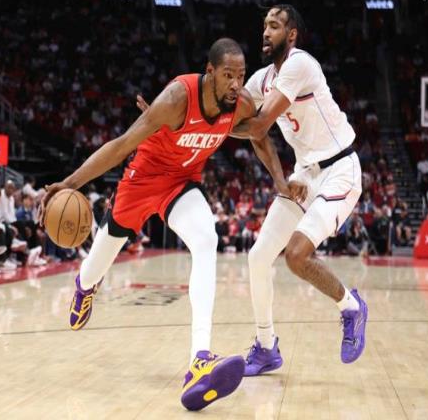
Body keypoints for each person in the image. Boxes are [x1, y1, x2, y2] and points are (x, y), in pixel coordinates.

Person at [41, 38, 291, 411]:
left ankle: (199, 361)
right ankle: (85, 285)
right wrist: (70, 183)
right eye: (228, 75)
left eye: (241, 75)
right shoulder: (176, 99)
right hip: (141, 180)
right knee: (96, 264)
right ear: (210, 72)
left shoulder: (238, 103)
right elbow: (121, 145)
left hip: (181, 184)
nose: (236, 83)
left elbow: (258, 134)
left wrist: (281, 182)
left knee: (206, 240)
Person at [234, 4, 368, 374]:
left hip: (340, 169)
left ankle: (351, 308)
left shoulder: (300, 64)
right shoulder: (261, 80)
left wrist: (224, 127)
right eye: (265, 25)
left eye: (275, 26)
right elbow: (240, 122)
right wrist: (179, 120)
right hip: (305, 176)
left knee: (295, 256)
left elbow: (257, 126)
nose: (266, 32)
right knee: (258, 257)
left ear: (291, 35)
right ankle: (266, 347)